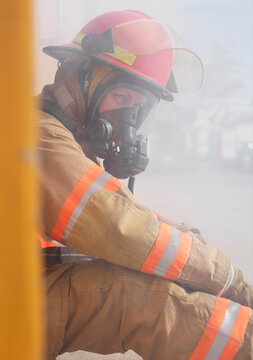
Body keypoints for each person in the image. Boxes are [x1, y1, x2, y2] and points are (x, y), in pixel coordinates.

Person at [38, 10, 253, 360]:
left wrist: (188, 238)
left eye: (138, 109)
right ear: (79, 76)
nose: (127, 121)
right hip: (14, 304)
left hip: (25, 288)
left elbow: (122, 215)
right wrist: (223, 275)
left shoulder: (66, 144)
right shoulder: (39, 138)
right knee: (142, 299)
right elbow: (120, 228)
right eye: (122, 98)